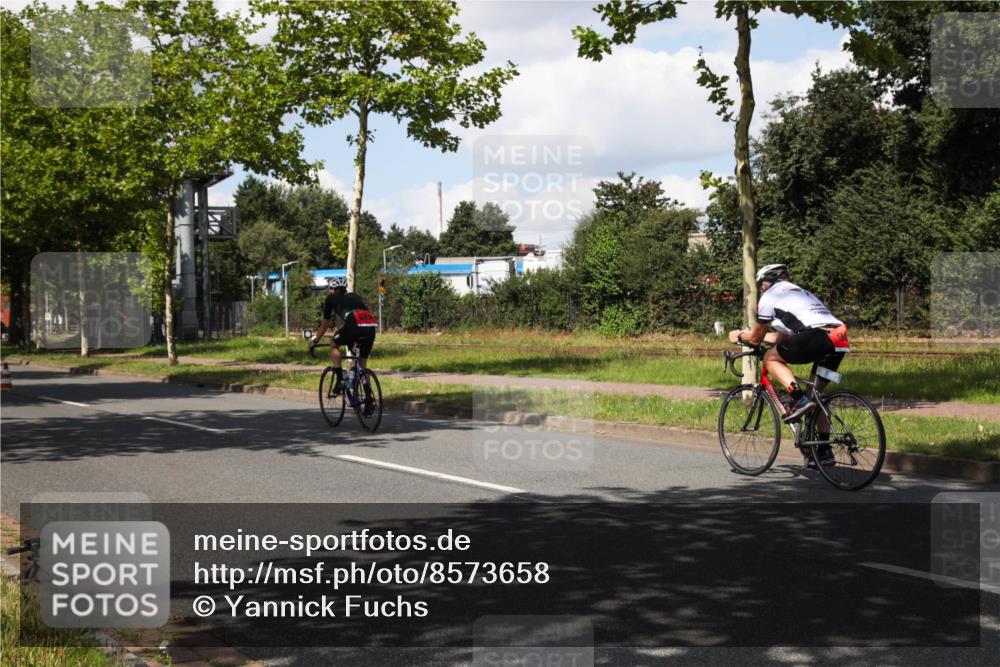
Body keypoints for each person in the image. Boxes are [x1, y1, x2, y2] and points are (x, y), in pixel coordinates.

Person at [728, 264, 850, 467]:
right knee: (815, 397)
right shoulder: (801, 293)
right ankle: (823, 452)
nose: (762, 288)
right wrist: (762, 338)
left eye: (761, 284)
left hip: (814, 338)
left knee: (770, 358)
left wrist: (739, 335)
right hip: (838, 340)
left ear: (767, 282)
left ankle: (796, 397)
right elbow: (785, 336)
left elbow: (757, 338)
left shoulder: (769, 297)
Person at [310, 276, 377, 395]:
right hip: (370, 325)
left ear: (333, 289)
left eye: (330, 288)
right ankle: (368, 398)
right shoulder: (355, 296)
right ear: (345, 288)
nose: (330, 290)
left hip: (354, 324)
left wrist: (315, 340)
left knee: (333, 344)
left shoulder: (330, 298)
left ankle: (341, 378)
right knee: (362, 365)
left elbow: (325, 323)